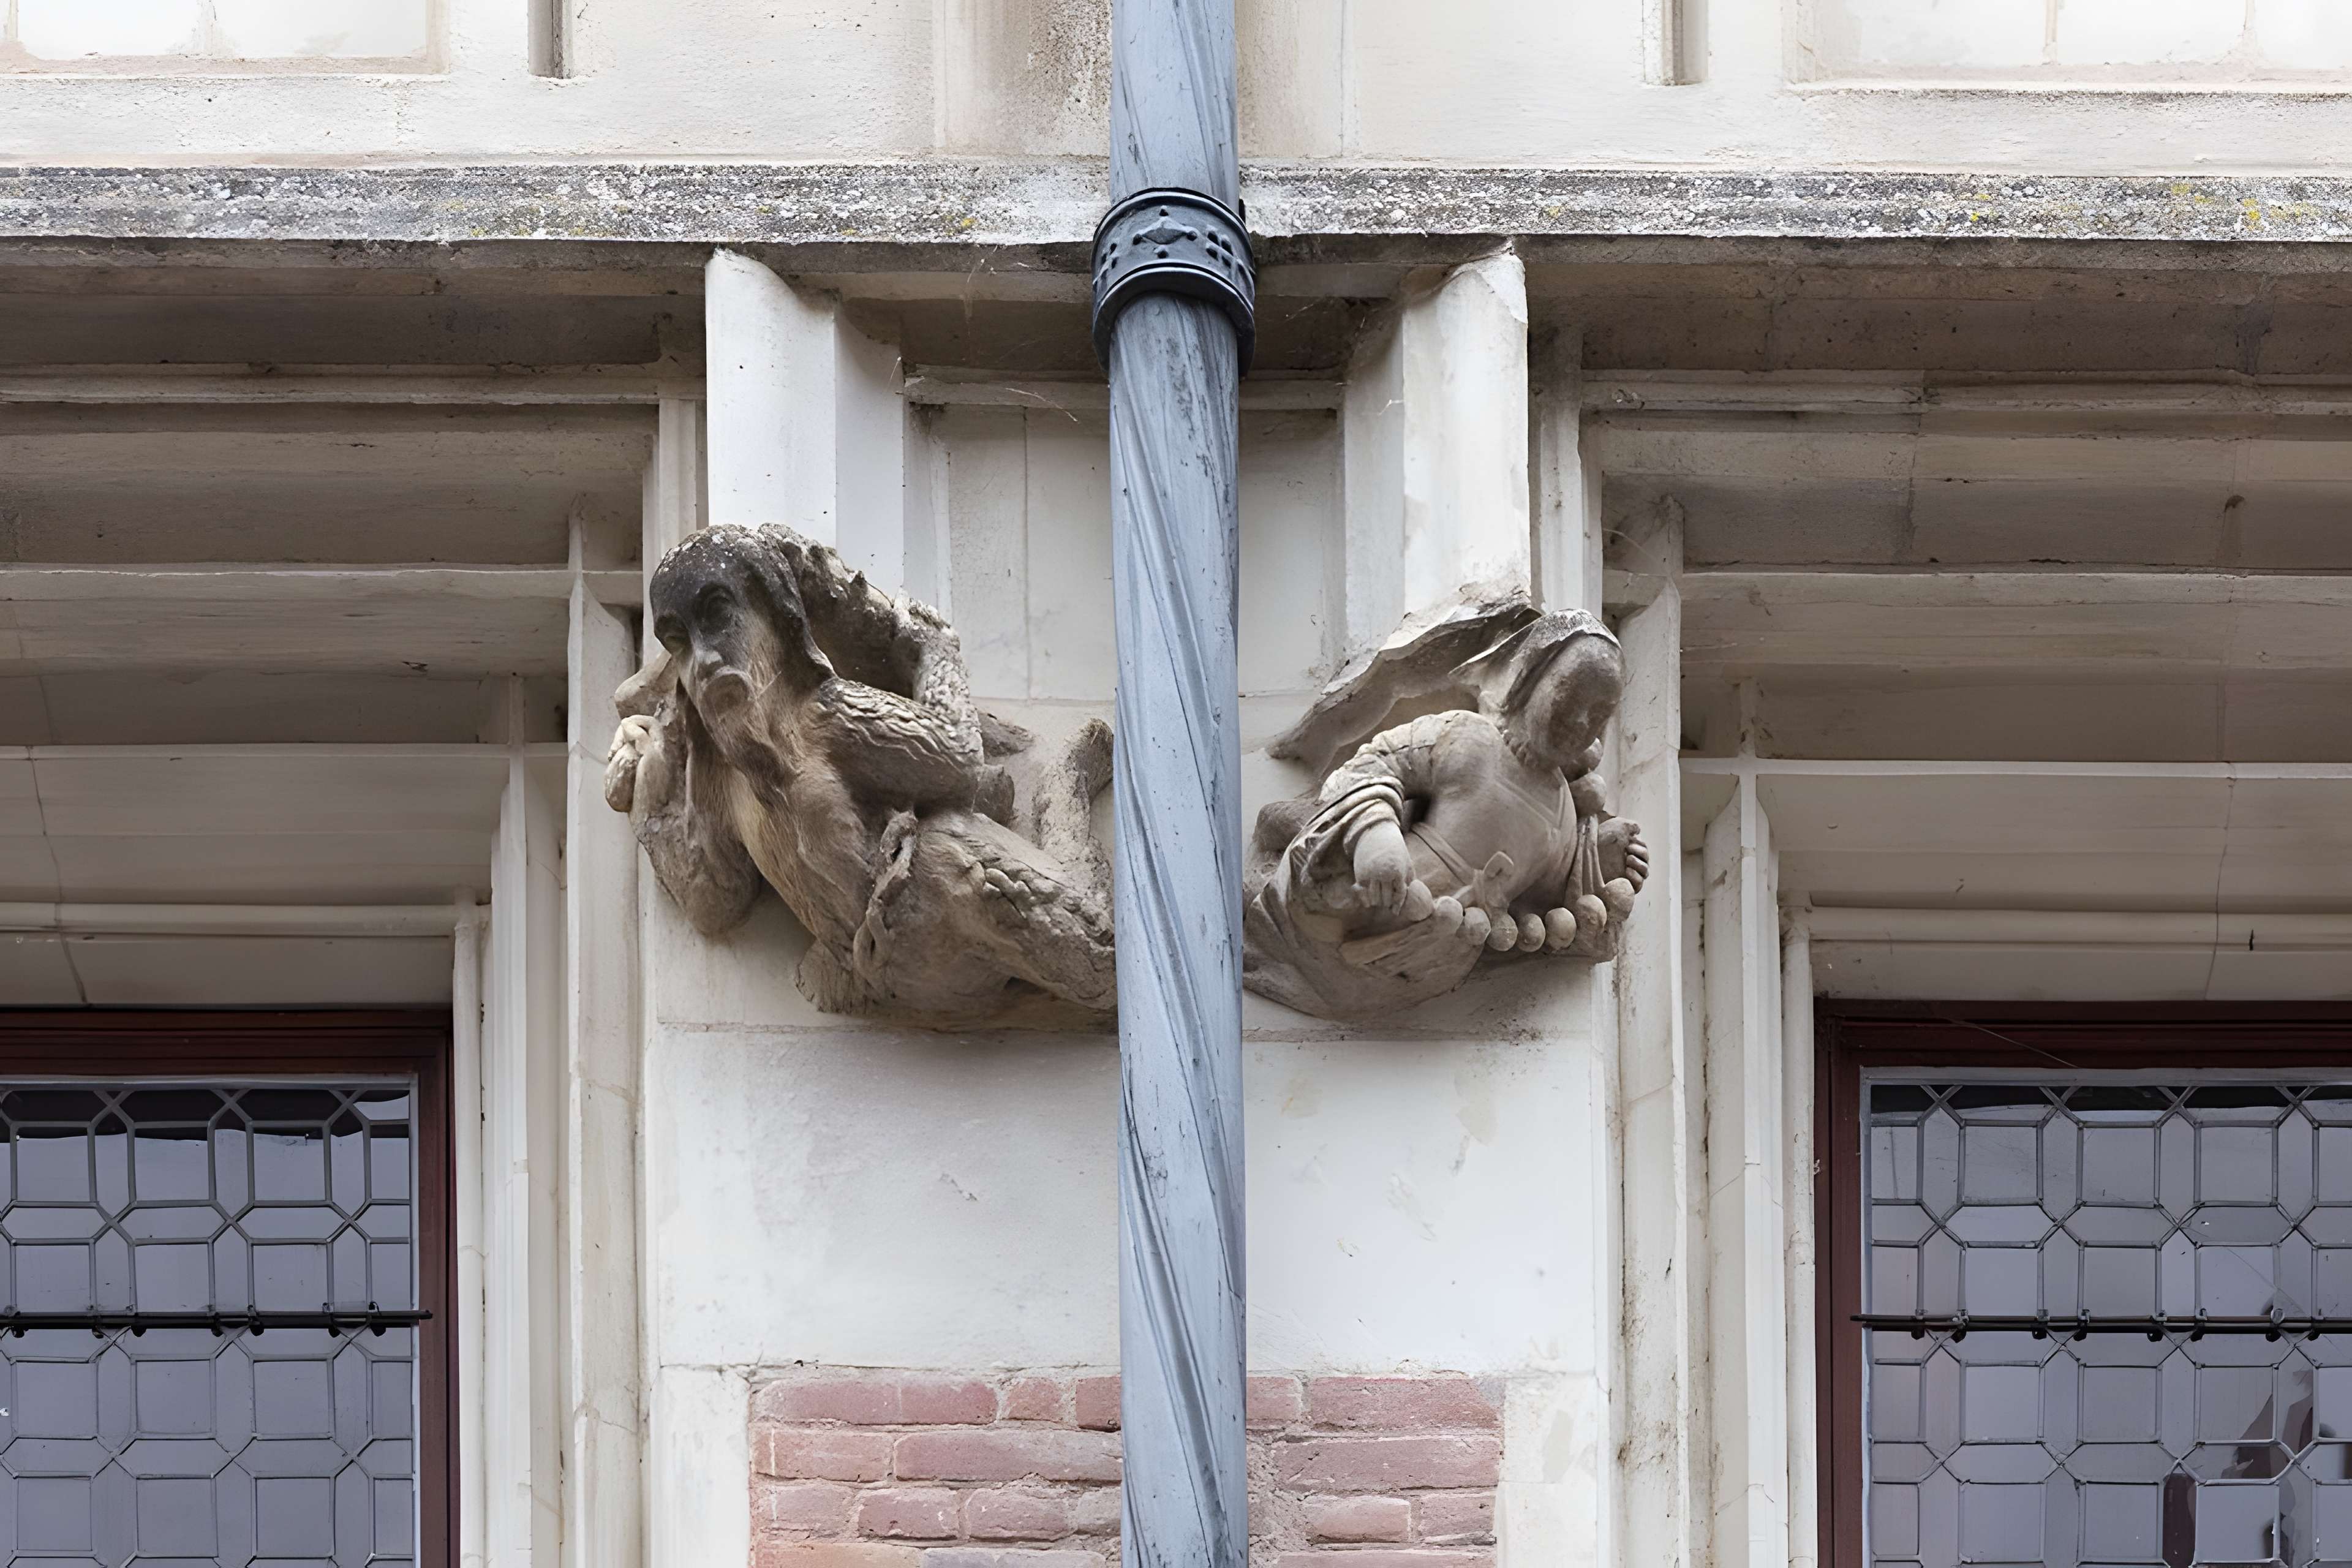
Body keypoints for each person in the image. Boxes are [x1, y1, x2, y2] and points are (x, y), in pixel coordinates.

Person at [1243, 609, 1648, 1020]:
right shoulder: (1472, 738)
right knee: (1319, 910)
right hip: (1374, 889)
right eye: (1570, 694)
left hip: (1430, 948)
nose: (1581, 722)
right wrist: (1375, 834)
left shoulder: (1562, 809)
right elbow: (1374, 764)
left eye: (1599, 715)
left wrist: (1596, 856)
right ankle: (1275, 874)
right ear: (1531, 675)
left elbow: (1547, 890)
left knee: (1414, 948)